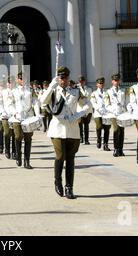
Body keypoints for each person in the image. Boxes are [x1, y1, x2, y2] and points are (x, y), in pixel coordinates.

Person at [39, 67, 91, 199]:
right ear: (58, 78)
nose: (63, 80)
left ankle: (69, 188)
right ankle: (58, 182)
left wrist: (78, 115)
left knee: (70, 159)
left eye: (65, 78)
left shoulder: (76, 91)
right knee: (60, 155)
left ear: (68, 78)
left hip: (72, 129)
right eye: (61, 78)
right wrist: (51, 86)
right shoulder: (53, 90)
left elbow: (88, 105)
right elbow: (42, 102)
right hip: (57, 128)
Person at [11, 73, 40, 169]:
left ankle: (27, 161)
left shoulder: (30, 91)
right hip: (17, 117)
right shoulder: (14, 91)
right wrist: (13, 112)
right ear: (17, 80)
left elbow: (35, 102)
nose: (22, 80)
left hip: (28, 118)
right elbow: (9, 103)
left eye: (24, 78)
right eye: (20, 79)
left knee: (28, 139)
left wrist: (37, 114)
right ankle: (18, 156)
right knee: (18, 136)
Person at [104, 73, 127, 157]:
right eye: (115, 80)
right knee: (116, 130)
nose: (116, 82)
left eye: (118, 80)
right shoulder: (108, 92)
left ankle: (121, 149)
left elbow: (126, 102)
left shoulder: (123, 90)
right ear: (112, 81)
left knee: (122, 131)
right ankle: (115, 149)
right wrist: (113, 110)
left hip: (122, 113)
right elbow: (107, 105)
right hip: (114, 114)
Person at [91, 77, 111, 151]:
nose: (101, 84)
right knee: (99, 127)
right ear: (97, 84)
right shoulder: (94, 93)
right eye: (99, 83)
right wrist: (99, 109)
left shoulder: (107, 92)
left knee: (107, 129)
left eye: (102, 83)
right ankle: (99, 139)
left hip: (106, 113)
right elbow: (93, 102)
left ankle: (105, 144)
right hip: (98, 113)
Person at [2, 77, 16, 160]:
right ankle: (7, 150)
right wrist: (2, 112)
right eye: (9, 82)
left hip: (14, 116)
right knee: (7, 133)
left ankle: (14, 151)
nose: (10, 84)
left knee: (15, 134)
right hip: (5, 115)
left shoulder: (16, 92)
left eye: (11, 82)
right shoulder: (3, 92)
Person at [77, 76, 93, 145]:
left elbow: (90, 99)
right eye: (80, 82)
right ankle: (81, 138)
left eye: (82, 81)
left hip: (88, 109)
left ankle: (86, 139)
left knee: (86, 125)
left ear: (84, 82)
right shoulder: (76, 89)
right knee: (80, 124)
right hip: (79, 108)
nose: (81, 83)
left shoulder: (89, 89)